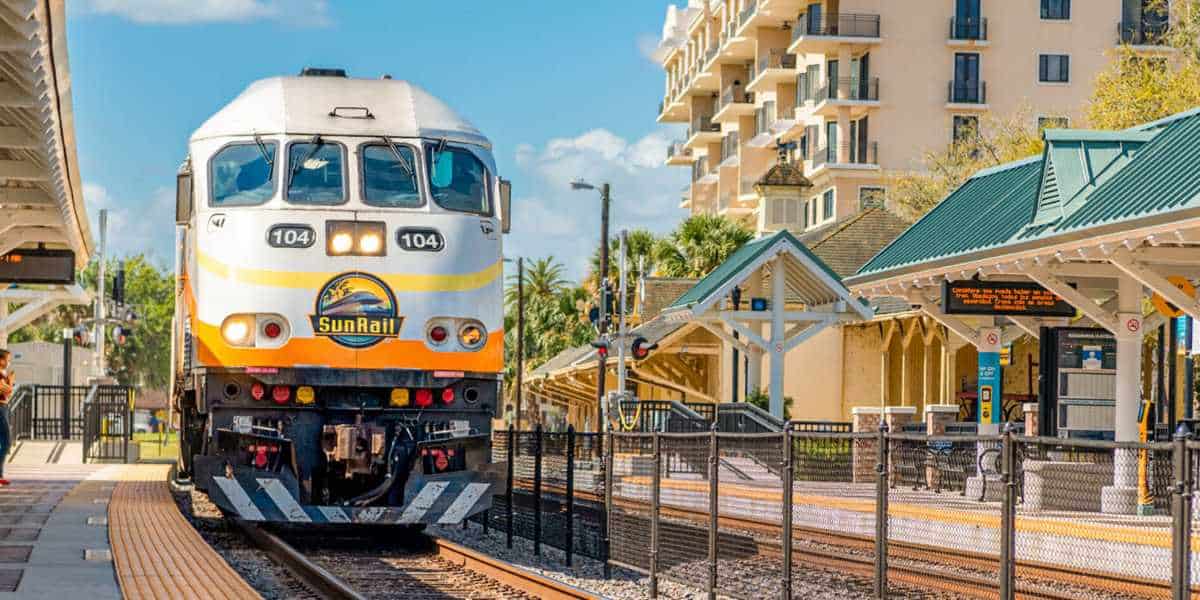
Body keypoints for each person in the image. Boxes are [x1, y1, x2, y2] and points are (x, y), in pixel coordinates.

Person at [0, 349, 12, 487]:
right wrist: (10, 382)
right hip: (0, 408)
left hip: (3, 407)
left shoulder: (3, 375)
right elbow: (7, 390)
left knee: (3, 441)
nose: (9, 362)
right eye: (7, 359)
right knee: (7, 441)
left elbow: (8, 391)